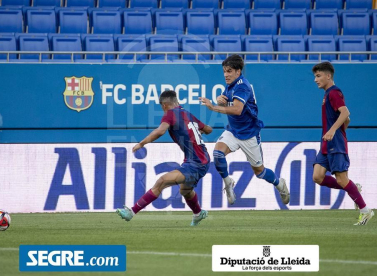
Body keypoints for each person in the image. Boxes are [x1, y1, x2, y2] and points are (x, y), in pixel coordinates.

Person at [199, 54, 290, 206]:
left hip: (249, 134)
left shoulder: (242, 86)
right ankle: (228, 183)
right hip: (233, 131)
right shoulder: (231, 85)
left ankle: (279, 184)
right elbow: (229, 103)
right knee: (217, 154)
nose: (226, 74)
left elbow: (237, 110)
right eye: (224, 71)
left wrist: (214, 106)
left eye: (229, 71)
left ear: (238, 71)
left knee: (260, 172)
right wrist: (221, 100)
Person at [116, 90, 213, 226]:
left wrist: (142, 143)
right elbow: (209, 130)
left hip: (196, 163)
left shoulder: (170, 114)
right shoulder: (188, 114)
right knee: (185, 190)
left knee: (161, 181)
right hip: (201, 160)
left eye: (162, 107)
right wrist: (197, 130)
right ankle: (198, 213)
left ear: (165, 105)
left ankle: (131, 212)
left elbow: (160, 131)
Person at [311, 62, 374, 225]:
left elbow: (346, 112)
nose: (315, 80)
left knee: (341, 179)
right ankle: (352, 187)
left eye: (318, 76)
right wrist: (338, 128)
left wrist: (333, 131)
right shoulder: (327, 94)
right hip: (326, 143)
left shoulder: (334, 92)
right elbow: (346, 119)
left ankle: (365, 211)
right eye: (315, 76)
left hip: (335, 143)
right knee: (317, 176)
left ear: (328, 76)